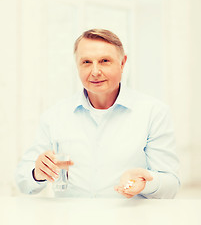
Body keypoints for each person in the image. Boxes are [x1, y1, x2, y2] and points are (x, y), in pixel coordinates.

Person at [15, 29, 180, 199]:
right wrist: (37, 173)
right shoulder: (55, 116)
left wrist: (146, 184)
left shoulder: (153, 113)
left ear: (122, 63)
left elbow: (171, 185)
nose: (95, 72)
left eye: (104, 61)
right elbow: (23, 181)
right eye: (86, 62)